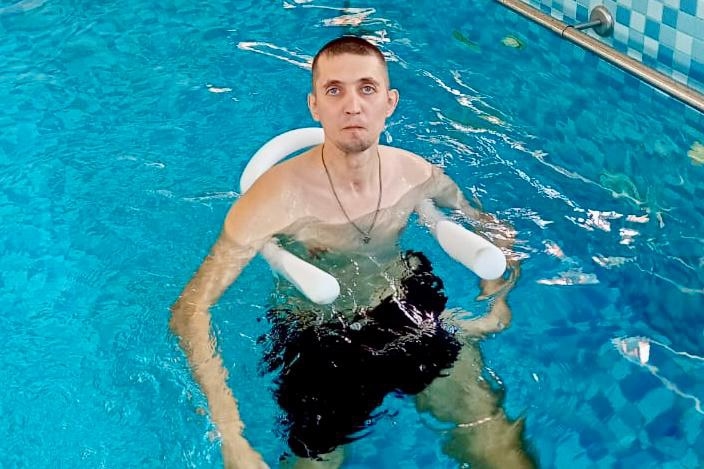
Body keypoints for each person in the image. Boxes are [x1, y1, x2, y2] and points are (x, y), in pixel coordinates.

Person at [170, 36, 536, 469]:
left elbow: (493, 229)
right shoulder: (273, 200)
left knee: (497, 444)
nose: (352, 106)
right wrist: (231, 436)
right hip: (319, 337)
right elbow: (191, 310)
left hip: (406, 312)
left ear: (389, 102)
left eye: (367, 88)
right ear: (314, 106)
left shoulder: (415, 173)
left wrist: (497, 296)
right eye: (334, 90)